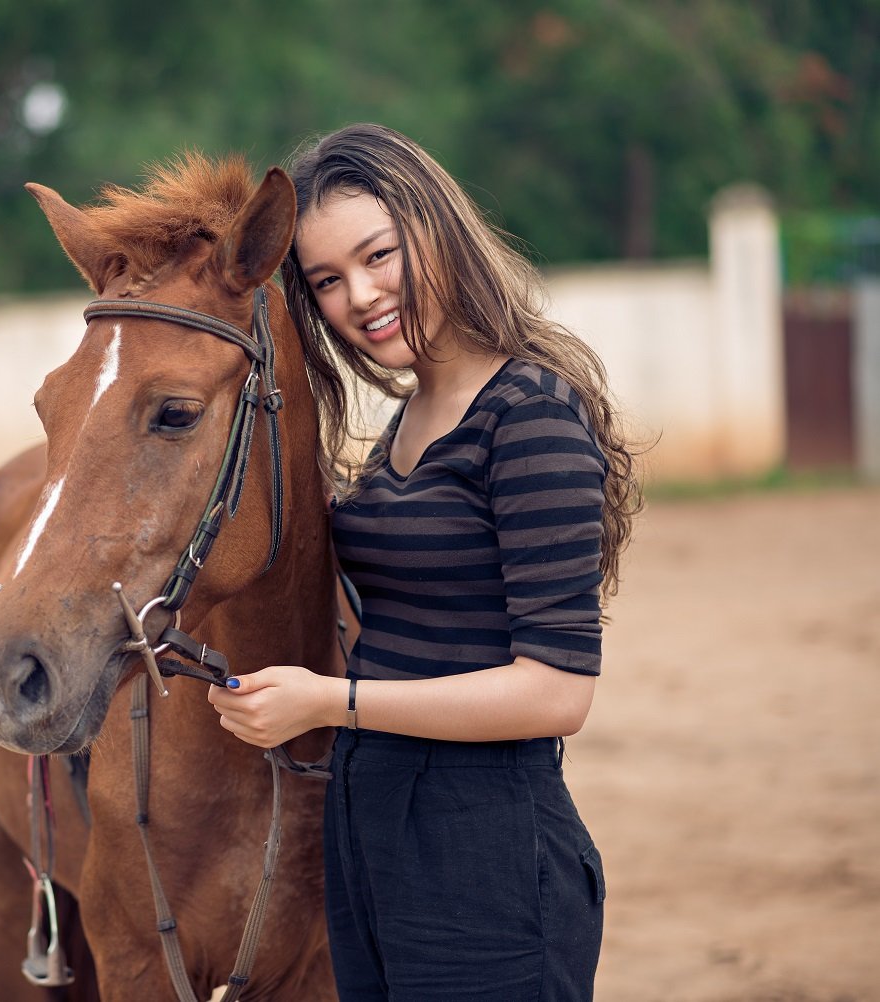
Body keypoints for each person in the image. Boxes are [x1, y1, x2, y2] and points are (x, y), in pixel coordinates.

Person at [207, 123, 643, 1000]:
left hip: (484, 847)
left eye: (379, 255)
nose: (359, 296)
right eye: (327, 280)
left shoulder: (529, 416)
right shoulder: (404, 427)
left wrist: (331, 701)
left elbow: (558, 692)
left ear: (435, 227)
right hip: (372, 836)